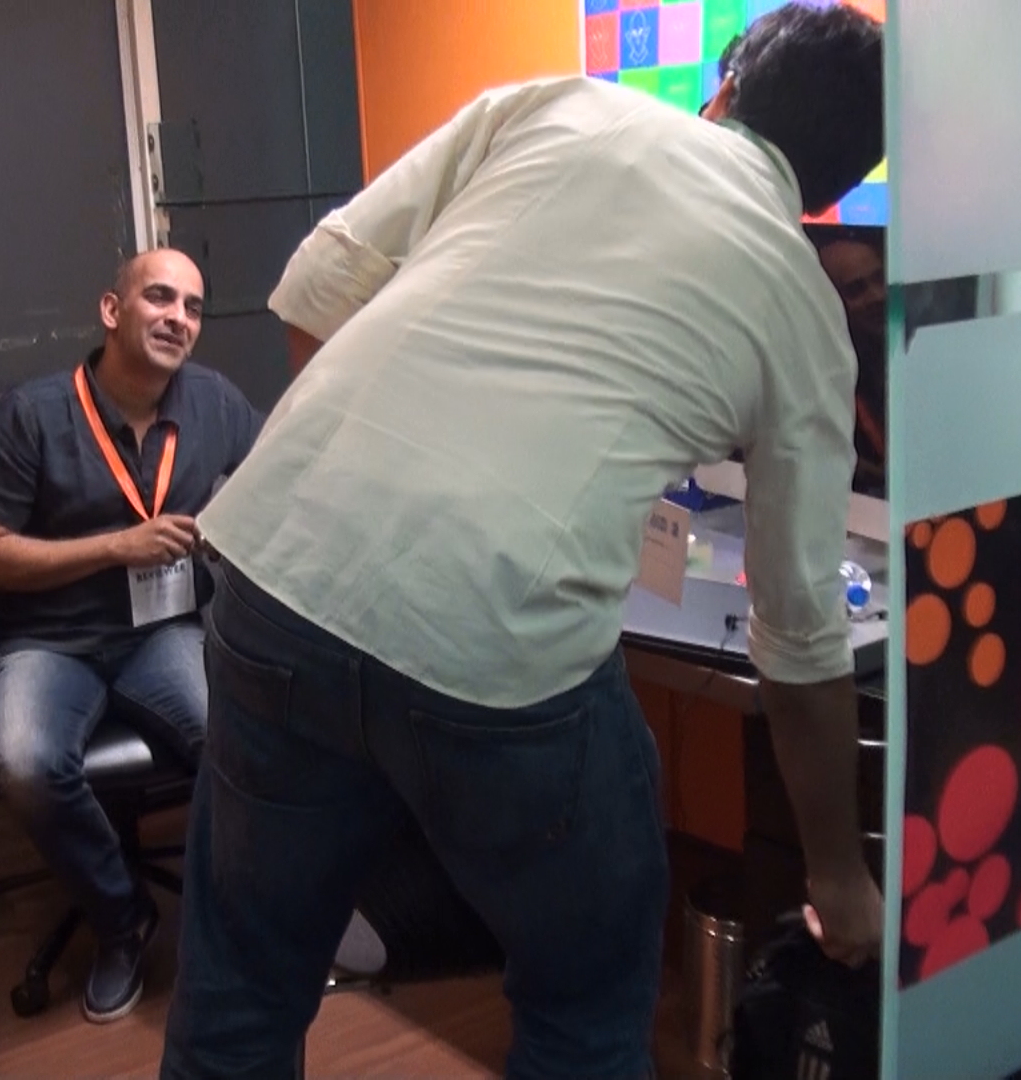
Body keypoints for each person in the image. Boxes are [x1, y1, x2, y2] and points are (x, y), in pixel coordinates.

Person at [163, 6, 885, 1076]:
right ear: (831, 189)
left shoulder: (559, 104)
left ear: (724, 91)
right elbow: (801, 635)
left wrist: (384, 507)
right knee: (585, 1001)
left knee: (240, 984)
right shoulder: (805, 315)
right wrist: (837, 875)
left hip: (274, 568)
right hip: (493, 652)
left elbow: (315, 289)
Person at [0, 248, 260, 1024]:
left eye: (193, 306)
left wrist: (232, 529)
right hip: (45, 640)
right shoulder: (31, 414)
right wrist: (116, 547)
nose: (178, 318)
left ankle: (228, 921)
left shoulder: (214, 401)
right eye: (159, 297)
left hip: (160, 631)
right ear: (111, 310)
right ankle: (122, 918)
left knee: (236, 743)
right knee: (29, 765)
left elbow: (272, 482)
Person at [815, 231, 890, 495]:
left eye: (880, 279)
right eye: (856, 290)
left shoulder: (914, 354)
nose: (877, 296)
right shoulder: (816, 382)